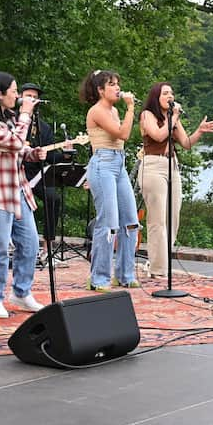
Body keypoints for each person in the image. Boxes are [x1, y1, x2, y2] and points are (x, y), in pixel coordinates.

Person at [0, 72, 48, 318]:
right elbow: (13, 143)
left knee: (31, 242)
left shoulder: (9, 119)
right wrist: (26, 114)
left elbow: (18, 150)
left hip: (17, 188)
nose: (18, 96)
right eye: (14, 91)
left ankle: (21, 292)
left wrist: (33, 154)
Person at [137, 82, 213, 279]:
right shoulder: (147, 115)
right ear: (156, 97)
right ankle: (158, 269)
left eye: (171, 93)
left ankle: (159, 261)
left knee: (173, 217)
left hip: (172, 166)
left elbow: (186, 143)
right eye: (165, 93)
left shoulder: (172, 118)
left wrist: (199, 131)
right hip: (153, 166)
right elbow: (157, 136)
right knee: (157, 220)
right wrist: (173, 118)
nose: (170, 96)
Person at [80, 69, 139, 290]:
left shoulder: (114, 110)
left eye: (117, 83)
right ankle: (99, 279)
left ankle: (125, 274)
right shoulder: (97, 111)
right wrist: (131, 108)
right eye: (111, 84)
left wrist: (126, 110)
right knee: (108, 224)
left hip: (119, 163)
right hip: (103, 164)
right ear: (100, 90)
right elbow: (122, 134)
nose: (117, 88)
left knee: (131, 221)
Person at [19, 82, 74, 264]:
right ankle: (21, 245)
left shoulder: (45, 128)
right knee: (22, 204)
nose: (32, 100)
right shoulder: (13, 122)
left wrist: (65, 154)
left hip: (36, 175)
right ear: (19, 98)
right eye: (28, 96)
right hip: (15, 174)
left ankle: (46, 247)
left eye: (35, 97)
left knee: (54, 198)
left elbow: (50, 157)